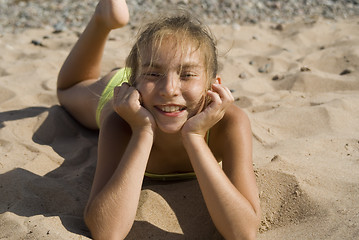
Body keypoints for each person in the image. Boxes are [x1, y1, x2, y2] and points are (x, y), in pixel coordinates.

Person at [57, 0, 261, 239]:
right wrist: (142, 131)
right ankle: (102, 20)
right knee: (67, 90)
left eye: (187, 75)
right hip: (128, 92)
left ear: (213, 85)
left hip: (148, 91)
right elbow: (106, 231)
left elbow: (244, 232)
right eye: (154, 73)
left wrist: (195, 137)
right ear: (133, 83)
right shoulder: (120, 121)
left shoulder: (229, 123)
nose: (169, 89)